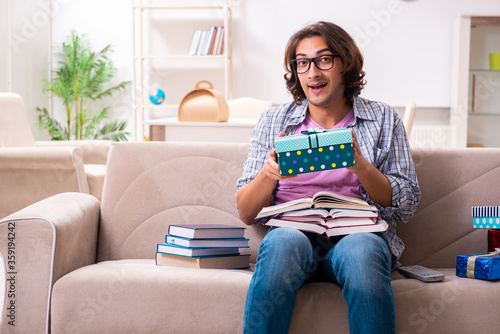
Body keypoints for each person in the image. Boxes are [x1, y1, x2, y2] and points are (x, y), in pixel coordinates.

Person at [235, 21, 421, 334]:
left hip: (357, 236)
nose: (313, 73)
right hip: (293, 235)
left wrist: (362, 166)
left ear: (345, 64)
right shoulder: (273, 120)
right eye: (303, 63)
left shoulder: (383, 118)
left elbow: (407, 204)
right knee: (282, 241)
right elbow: (245, 212)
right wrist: (268, 175)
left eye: (324, 60)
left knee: (362, 250)